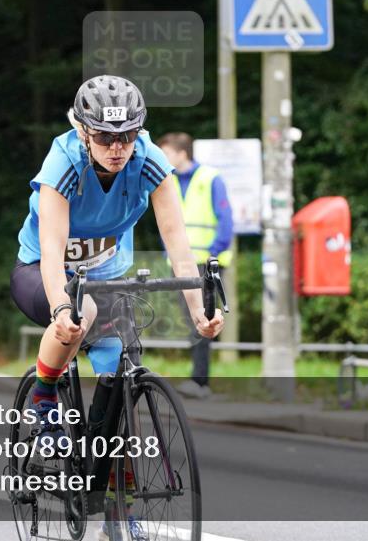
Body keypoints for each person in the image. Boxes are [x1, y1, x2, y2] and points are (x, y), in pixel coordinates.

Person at [11, 75, 223, 541]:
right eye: (105, 137)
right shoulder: (63, 162)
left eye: (126, 135)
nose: (117, 147)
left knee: (120, 400)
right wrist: (61, 308)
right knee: (79, 313)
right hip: (43, 270)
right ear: (83, 131)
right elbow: (52, 251)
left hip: (108, 278)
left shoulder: (149, 161)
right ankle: (45, 396)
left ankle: (117, 513)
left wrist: (198, 309)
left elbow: (177, 242)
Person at [156, 133, 234, 400]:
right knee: (192, 320)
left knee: (202, 319)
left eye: (167, 153)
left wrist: (214, 253)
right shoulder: (168, 180)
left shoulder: (210, 178)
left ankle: (200, 381)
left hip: (205, 262)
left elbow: (226, 219)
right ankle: (198, 380)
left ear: (182, 153)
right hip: (180, 263)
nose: (163, 158)